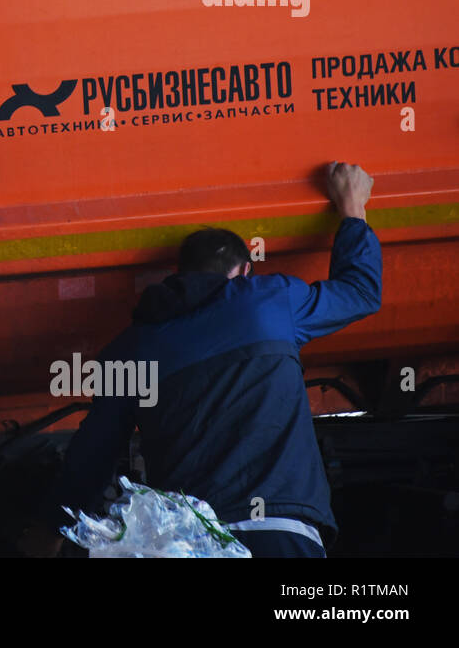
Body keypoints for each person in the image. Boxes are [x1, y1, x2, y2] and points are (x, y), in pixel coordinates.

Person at [50, 161, 381, 557]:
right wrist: (352, 207)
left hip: (191, 541)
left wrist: (57, 529)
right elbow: (360, 291)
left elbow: (93, 454)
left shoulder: (130, 350)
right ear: (244, 271)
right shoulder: (267, 302)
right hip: (279, 531)